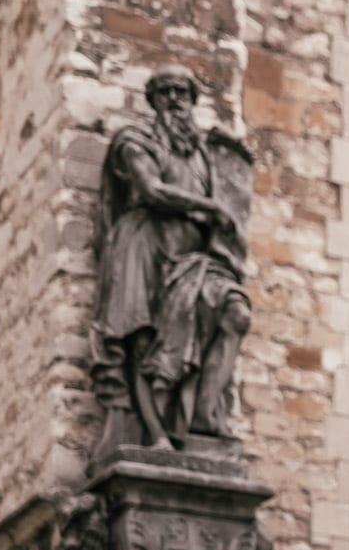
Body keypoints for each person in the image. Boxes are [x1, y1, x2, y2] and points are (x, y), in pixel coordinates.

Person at [91, 64, 251, 448]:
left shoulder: (205, 155)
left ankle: (204, 420)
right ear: (153, 100)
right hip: (144, 245)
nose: (175, 100)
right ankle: (155, 436)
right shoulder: (134, 140)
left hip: (196, 259)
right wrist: (211, 208)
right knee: (144, 340)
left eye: (182, 92)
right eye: (166, 92)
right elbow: (150, 190)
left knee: (235, 313)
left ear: (193, 101)